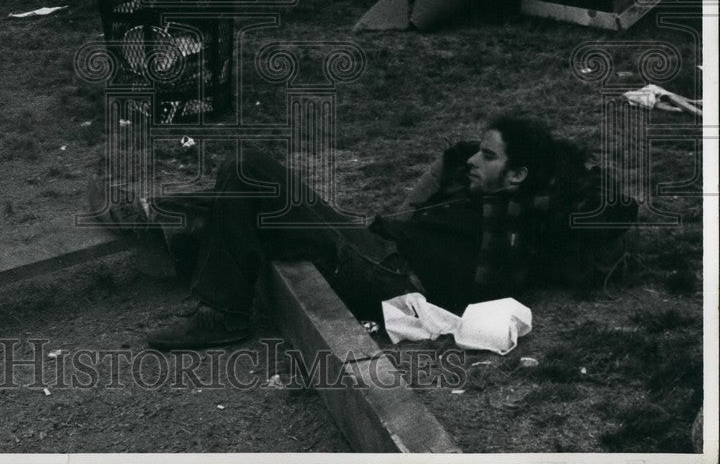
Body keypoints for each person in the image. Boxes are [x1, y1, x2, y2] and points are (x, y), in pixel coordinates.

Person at [138, 115, 560, 349]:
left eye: (486, 156)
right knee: (260, 196)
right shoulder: (481, 188)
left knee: (249, 169)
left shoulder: (512, 217)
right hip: (378, 248)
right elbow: (452, 157)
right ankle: (151, 212)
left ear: (519, 174)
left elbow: (492, 288)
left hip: (393, 276)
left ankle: (223, 315)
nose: (472, 160)